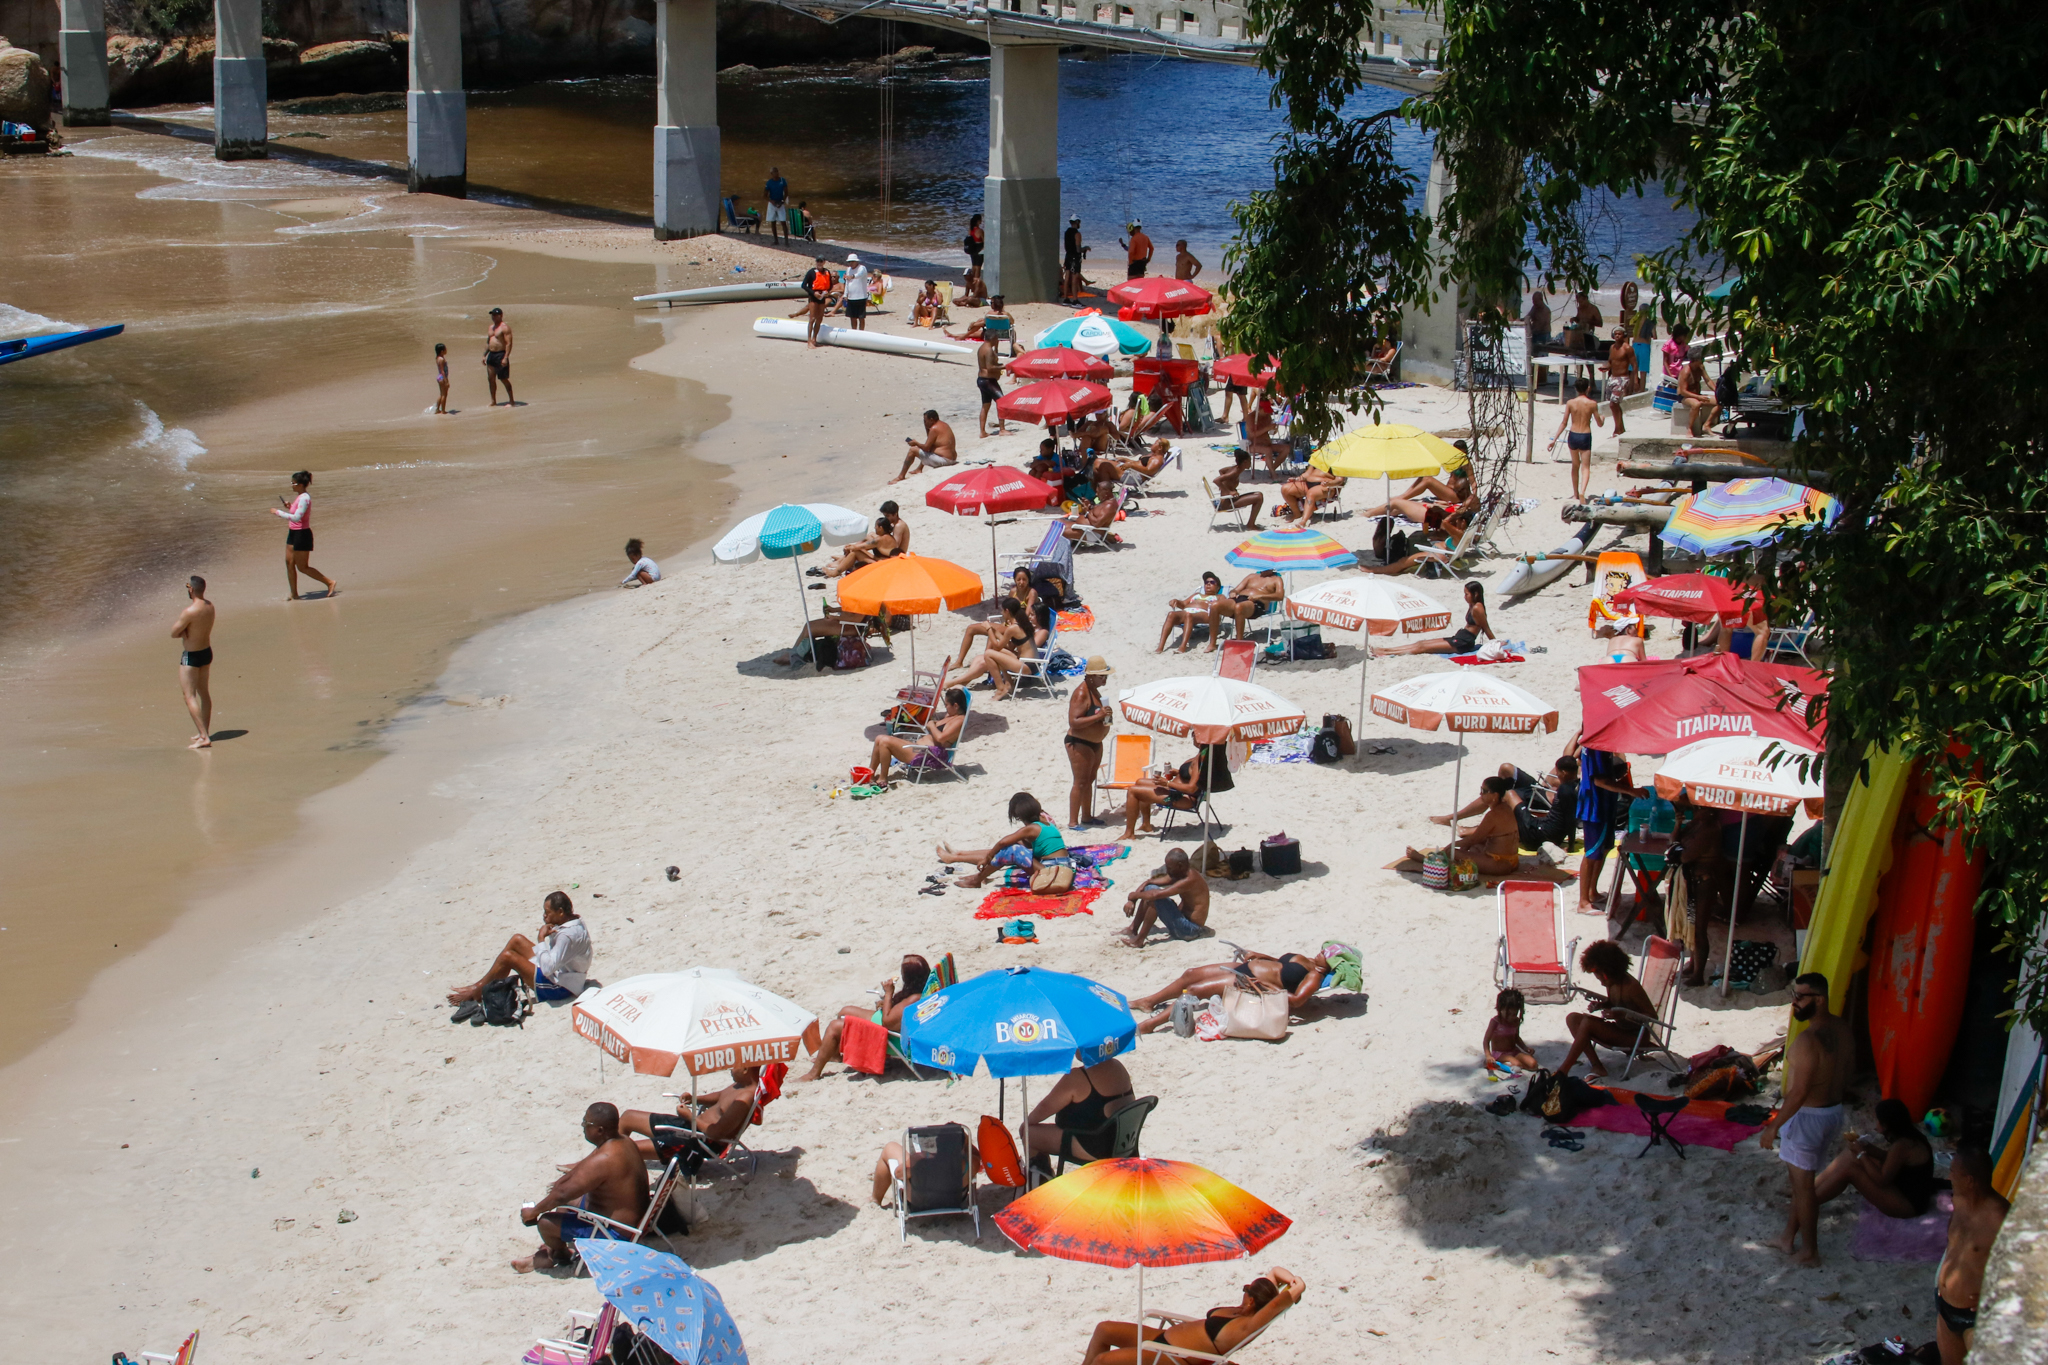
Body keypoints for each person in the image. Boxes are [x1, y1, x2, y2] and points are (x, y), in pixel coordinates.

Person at [1759, 971, 1853, 1265]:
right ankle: (1788, 1237)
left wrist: (1773, 1127)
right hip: (1832, 1113)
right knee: (1800, 1183)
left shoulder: (1807, 1041)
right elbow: (1849, 1070)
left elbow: (1798, 1094)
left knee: (1804, 1189)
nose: (1794, 1003)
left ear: (1820, 1000)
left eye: (1800, 997)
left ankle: (1810, 1251)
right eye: (1793, 995)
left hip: (1807, 1118)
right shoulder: (1843, 1030)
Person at [512, 1103, 648, 1273]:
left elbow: (561, 1194)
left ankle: (558, 1255)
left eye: (586, 1123)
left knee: (546, 1223)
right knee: (565, 1202)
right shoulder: (623, 1142)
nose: (583, 1127)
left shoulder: (605, 1159)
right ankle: (550, 1250)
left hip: (615, 1233)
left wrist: (533, 1212)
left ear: (599, 1130)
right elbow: (577, 1175)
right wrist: (560, 1186)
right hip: (630, 1219)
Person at [1078, 1268, 1304, 1365]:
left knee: (1103, 1362)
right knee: (1104, 1329)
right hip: (1163, 1338)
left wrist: (1297, 1284)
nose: (1243, 1293)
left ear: (1252, 1299)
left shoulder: (1248, 1326)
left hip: (1174, 1359)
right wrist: (1291, 1278)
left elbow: (1291, 1293)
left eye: (1246, 1290)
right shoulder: (1243, 1308)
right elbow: (1274, 1272)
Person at [1130, 948, 1334, 1031]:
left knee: (1194, 990)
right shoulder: (1308, 960)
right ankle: (1149, 1001)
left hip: (1249, 981)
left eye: (1327, 952)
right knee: (1190, 973)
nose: (1323, 950)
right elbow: (1280, 962)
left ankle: (1151, 1024)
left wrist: (1269, 987)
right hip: (1248, 968)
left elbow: (1298, 1001)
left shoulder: (1314, 976)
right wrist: (1259, 954)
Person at [1935, 1144, 2010, 1364]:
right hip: (1945, 1308)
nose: (1949, 1178)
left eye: (1953, 1173)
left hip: (1978, 1319)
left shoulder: (2001, 1218)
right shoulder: (1959, 1202)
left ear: (1969, 1180)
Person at [448, 889, 590, 1005]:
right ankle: (479, 986)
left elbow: (547, 969)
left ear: (560, 912)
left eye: (548, 913)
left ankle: (477, 992)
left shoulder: (567, 936)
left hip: (561, 986)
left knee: (507, 958)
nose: (544, 916)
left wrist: (541, 939)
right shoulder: (576, 921)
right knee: (517, 939)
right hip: (561, 971)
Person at [801, 956, 932, 1080]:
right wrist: (888, 1002)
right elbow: (897, 1014)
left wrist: (888, 994)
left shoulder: (914, 999)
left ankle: (814, 1074)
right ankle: (835, 1056)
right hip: (887, 1024)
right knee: (844, 1011)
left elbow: (888, 1023)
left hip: (889, 1036)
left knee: (834, 1026)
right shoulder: (925, 990)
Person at [1811, 1097, 1938, 1219]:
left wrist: (1862, 1154)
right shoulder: (1911, 1136)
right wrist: (1870, 1149)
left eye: (1879, 1122)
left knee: (1850, 1170)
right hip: (1902, 1186)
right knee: (1849, 1154)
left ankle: (1808, 1203)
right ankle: (1809, 1189)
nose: (1876, 1125)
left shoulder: (1902, 1145)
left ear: (1887, 1125)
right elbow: (1893, 1160)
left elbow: (1881, 1180)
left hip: (1908, 1205)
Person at [1552, 939, 1658, 1077]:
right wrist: (1602, 1004)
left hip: (1635, 1037)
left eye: (1602, 979)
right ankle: (1597, 1066)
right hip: (1620, 1030)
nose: (1602, 984)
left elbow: (1652, 1016)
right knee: (1572, 1018)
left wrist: (1623, 1015)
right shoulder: (1612, 983)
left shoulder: (1631, 987)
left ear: (1609, 971)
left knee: (1587, 1023)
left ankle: (1563, 1070)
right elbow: (1616, 1002)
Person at [620, 1065, 763, 1162]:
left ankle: (610, 1163)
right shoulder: (740, 1084)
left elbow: (716, 1133)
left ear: (745, 1069)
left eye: (734, 1065)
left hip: (700, 1143)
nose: (730, 1068)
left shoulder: (745, 1098)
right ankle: (609, 1155)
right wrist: (694, 1099)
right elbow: (720, 1096)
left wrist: (690, 1116)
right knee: (628, 1117)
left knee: (625, 1150)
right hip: (690, 1127)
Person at [937, 791, 1068, 888]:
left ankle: (976, 880)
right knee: (1010, 849)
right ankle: (973, 871)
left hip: (1053, 872)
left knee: (1011, 850)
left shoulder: (1032, 828)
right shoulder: (1047, 823)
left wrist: (988, 857)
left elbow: (1003, 842)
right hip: (1063, 868)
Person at [1027, 1051, 1135, 1165]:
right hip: (1123, 1144)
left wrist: (1027, 1122)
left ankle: (1041, 1178)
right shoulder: (1118, 1066)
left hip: (1095, 1148)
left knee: (1028, 1133)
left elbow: (1045, 1108)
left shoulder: (1077, 1076)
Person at [1406, 775, 1521, 876]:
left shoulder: (1492, 815)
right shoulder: (1506, 808)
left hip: (1498, 864)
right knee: (1473, 848)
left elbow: (1473, 839)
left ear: (1495, 795)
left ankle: (1423, 859)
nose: (1480, 794)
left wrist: (1451, 846)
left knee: (1451, 852)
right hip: (1512, 861)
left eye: (1484, 791)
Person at [1576, 747, 1643, 915]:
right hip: (1595, 808)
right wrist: (1630, 790)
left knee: (1604, 850)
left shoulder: (1601, 748)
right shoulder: (1596, 748)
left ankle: (1592, 892)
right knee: (1591, 854)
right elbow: (1599, 781)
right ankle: (1583, 901)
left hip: (1605, 806)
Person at [1118, 745, 1228, 840]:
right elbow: (1193, 776)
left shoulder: (1200, 761)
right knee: (1139, 782)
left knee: (1132, 791)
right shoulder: (1203, 754)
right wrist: (1179, 772)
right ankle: (1146, 825)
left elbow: (1192, 789)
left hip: (1181, 797)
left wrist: (1167, 783)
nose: (1194, 737)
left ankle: (1129, 833)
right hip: (1176, 791)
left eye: (1195, 734)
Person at [868, 687, 968, 784]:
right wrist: (933, 723)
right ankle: (870, 775)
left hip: (928, 755)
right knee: (879, 738)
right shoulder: (951, 715)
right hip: (920, 749)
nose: (945, 708)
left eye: (946, 705)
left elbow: (940, 738)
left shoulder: (959, 720)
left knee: (885, 741)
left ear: (956, 706)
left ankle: (883, 779)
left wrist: (931, 725)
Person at [945, 598, 1037, 699]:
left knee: (988, 653)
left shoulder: (1013, 628)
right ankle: (1009, 683)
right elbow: (1009, 646)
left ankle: (1001, 688)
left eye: (1002, 611)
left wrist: (988, 629)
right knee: (997, 653)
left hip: (1026, 666)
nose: (1002, 613)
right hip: (1032, 663)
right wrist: (994, 631)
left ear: (1007, 611)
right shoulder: (1022, 624)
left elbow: (998, 646)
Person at [270, 470, 338, 601]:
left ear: (301, 484)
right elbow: (296, 513)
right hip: (293, 533)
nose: (292, 485)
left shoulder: (305, 498)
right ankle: (294, 593)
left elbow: (296, 518)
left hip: (302, 534)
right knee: (289, 563)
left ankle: (329, 582)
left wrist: (277, 512)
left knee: (302, 567)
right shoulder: (300, 497)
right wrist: (289, 506)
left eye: (293, 483)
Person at [1120, 847, 1210, 945]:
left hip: (1191, 930)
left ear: (1180, 866)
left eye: (1170, 868)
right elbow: (1149, 882)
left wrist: (1133, 895)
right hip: (1183, 920)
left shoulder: (1189, 879)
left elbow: (1155, 895)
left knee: (1156, 899)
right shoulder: (1181, 873)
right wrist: (1132, 900)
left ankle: (1139, 940)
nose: (1168, 871)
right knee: (1151, 888)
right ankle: (1133, 929)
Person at [1379, 580, 1491, 656]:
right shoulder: (1473, 605)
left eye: (1467, 594)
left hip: (1463, 643)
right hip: (1460, 637)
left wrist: (1496, 643)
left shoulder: (1478, 608)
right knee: (1421, 643)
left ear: (1475, 594)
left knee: (1422, 647)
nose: (1464, 597)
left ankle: (1387, 653)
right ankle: (1387, 650)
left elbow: (1486, 628)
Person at [1066, 656, 1114, 828]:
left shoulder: (1095, 691)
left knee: (1089, 780)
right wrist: (1099, 716)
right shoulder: (1081, 693)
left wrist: (1105, 718)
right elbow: (1074, 722)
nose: (1105, 678)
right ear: (1091, 676)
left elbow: (1094, 715)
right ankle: (1073, 822)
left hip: (1095, 742)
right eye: (1102, 676)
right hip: (1079, 742)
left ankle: (1086, 817)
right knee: (1080, 781)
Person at [171, 574, 216, 750]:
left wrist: (183, 632)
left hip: (191, 656)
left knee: (189, 696)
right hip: (206, 652)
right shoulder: (210, 606)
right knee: (204, 693)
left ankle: (204, 737)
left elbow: (174, 632)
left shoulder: (189, 611)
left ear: (191, 589)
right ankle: (203, 731)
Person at [1546, 376, 1603, 501]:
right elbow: (1599, 423)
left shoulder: (1570, 403)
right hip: (1585, 435)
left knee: (1575, 465)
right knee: (1586, 467)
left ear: (1576, 389)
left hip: (1573, 435)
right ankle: (1582, 491)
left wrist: (1554, 440)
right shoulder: (1592, 404)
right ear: (1588, 388)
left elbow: (1564, 422)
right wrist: (1602, 418)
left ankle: (1576, 494)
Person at [1156, 572, 1231, 653]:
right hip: (1187, 611)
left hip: (1206, 614)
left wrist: (1211, 604)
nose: (1208, 584)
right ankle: (1160, 647)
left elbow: (1224, 607)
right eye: (1206, 582)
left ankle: (1183, 646)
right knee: (1171, 614)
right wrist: (1176, 601)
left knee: (1189, 615)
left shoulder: (1219, 597)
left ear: (1218, 587)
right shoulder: (1197, 594)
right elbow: (1184, 604)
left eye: (1212, 582)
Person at [1214, 567, 1286, 644]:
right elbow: (1236, 589)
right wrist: (1233, 592)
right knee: (1215, 605)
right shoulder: (1251, 576)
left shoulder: (1276, 579)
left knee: (1239, 607)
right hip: (1240, 598)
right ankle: (1212, 643)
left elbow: (1280, 596)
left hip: (1257, 603)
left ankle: (1239, 641)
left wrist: (1260, 596)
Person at [815, 516, 898, 578]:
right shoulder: (890, 538)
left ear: (881, 527)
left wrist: (849, 547)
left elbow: (858, 547)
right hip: (886, 563)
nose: (874, 528)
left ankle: (835, 572)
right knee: (862, 546)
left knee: (855, 553)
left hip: (884, 567)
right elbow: (866, 545)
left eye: (876, 526)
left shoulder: (879, 540)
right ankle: (840, 563)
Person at [892, 410, 959, 483]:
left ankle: (901, 476)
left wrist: (916, 443)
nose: (924, 423)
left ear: (931, 420)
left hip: (944, 461)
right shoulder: (944, 425)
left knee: (913, 450)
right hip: (952, 459)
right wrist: (927, 427)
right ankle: (919, 469)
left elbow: (926, 448)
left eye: (925, 421)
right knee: (931, 448)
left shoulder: (934, 429)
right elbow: (930, 443)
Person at [1483, 987, 1538, 1072]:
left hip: (1514, 1051)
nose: (1511, 1017)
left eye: (1514, 1014)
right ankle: (1495, 1064)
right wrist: (1488, 1055)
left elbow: (1516, 1038)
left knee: (1533, 1064)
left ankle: (1512, 1065)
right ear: (1500, 1009)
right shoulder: (1495, 1022)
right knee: (1516, 1064)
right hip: (1499, 1053)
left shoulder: (1516, 1021)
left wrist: (1525, 1048)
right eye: (1508, 1014)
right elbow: (1486, 1040)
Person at [1678, 344, 1721, 437]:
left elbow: (1708, 381)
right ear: (1697, 359)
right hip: (1686, 397)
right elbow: (1683, 391)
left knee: (1721, 401)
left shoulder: (1700, 367)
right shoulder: (1686, 371)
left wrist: (1717, 391)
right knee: (1696, 404)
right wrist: (1698, 397)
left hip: (1697, 395)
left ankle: (1707, 425)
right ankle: (1689, 428)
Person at [1277, 465, 1344, 523]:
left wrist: (1330, 483)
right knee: (1285, 489)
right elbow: (1307, 474)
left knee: (1311, 493)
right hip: (1308, 483)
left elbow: (1339, 480)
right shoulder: (1317, 458)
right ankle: (1297, 514)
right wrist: (1297, 479)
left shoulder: (1337, 462)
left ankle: (1303, 521)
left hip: (1327, 487)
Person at [1246, 395, 1293, 472]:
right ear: (1259, 409)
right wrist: (1267, 428)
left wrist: (1274, 429)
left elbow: (1271, 432)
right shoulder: (1251, 417)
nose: (1267, 413)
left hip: (1267, 443)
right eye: (1265, 411)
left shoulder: (1267, 416)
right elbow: (1252, 434)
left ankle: (1272, 468)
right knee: (1267, 450)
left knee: (1287, 448)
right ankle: (1272, 473)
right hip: (1253, 444)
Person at [1604, 326, 1637, 435]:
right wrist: (1606, 367)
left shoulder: (1627, 348)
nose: (1617, 336)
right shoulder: (1612, 347)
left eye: (1620, 334)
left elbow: (1634, 364)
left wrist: (1634, 380)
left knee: (1613, 404)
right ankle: (1621, 427)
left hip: (1622, 378)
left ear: (1624, 335)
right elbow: (1610, 361)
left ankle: (1617, 429)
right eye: (1616, 334)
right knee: (1614, 404)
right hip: (1612, 378)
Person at [975, 334, 1008, 438]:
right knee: (1002, 401)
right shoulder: (988, 349)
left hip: (981, 380)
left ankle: (982, 432)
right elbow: (990, 367)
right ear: (993, 338)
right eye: (997, 338)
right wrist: (1004, 366)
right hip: (988, 380)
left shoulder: (982, 348)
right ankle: (1002, 429)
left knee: (986, 405)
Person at [483, 307, 514, 406]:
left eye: (495, 315)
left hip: (500, 354)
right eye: (492, 315)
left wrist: (506, 357)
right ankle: (493, 400)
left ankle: (511, 400)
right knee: (491, 378)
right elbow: (489, 342)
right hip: (491, 355)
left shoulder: (504, 327)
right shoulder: (491, 327)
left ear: (501, 315)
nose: (493, 317)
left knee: (503, 379)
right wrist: (484, 355)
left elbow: (509, 343)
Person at [802, 256, 835, 348]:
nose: (819, 263)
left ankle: (814, 339)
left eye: (821, 261)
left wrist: (827, 292)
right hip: (813, 297)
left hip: (823, 296)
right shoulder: (811, 272)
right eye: (818, 261)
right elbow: (804, 285)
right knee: (812, 319)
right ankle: (809, 341)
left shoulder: (827, 272)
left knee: (819, 319)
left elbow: (830, 285)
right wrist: (813, 293)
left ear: (824, 262)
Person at [1061, 216, 1088, 303]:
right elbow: (1078, 249)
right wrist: (1085, 248)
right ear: (1077, 222)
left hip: (1068, 255)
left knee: (1067, 277)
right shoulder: (1077, 234)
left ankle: (1066, 298)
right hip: (1075, 258)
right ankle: (1075, 299)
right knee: (1075, 278)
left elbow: (1065, 246)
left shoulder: (1066, 233)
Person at [842, 254, 872, 331]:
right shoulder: (848, 269)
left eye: (852, 262)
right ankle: (854, 331)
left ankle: (861, 332)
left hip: (861, 297)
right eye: (849, 262)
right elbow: (847, 283)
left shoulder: (862, 268)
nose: (850, 264)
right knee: (852, 317)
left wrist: (852, 276)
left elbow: (860, 275)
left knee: (861, 317)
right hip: (851, 297)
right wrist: (845, 294)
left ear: (856, 261)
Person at [765, 165, 789, 241]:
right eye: (774, 172)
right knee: (773, 222)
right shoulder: (769, 183)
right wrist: (772, 201)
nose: (776, 173)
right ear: (771, 174)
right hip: (772, 203)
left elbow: (786, 193)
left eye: (777, 171)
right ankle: (776, 240)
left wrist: (782, 201)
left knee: (783, 221)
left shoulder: (782, 180)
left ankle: (786, 240)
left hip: (780, 202)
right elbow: (765, 195)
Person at [433, 341, 449, 413]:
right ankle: (443, 410)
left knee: (441, 394)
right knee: (444, 394)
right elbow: (442, 371)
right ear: (442, 351)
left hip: (439, 376)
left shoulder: (438, 358)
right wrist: (446, 381)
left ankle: (437, 409)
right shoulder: (441, 359)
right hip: (442, 377)